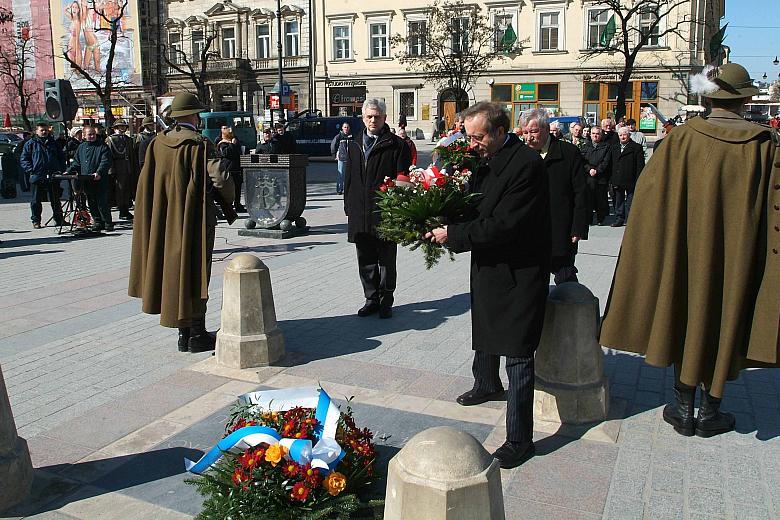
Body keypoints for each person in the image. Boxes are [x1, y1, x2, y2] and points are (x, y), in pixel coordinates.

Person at [600, 63, 779, 438]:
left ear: (710, 96)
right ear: (746, 98)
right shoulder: (764, 145)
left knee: (684, 314)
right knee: (726, 317)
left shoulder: (682, 139)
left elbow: (649, 200)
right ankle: (711, 409)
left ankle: (683, 408)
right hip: (740, 257)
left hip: (685, 253)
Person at [425, 101, 550, 469]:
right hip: (491, 267)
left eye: (478, 136)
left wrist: (455, 234)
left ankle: (519, 439)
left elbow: (505, 224)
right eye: (468, 135)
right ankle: (485, 384)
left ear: (499, 132)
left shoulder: (526, 165)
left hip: (519, 271)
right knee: (487, 327)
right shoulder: (485, 158)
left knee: (518, 352)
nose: (471, 142)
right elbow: (474, 206)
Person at [129, 92, 235, 354]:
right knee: (197, 271)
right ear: (191, 115)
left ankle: (182, 334)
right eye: (197, 113)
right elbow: (220, 179)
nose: (199, 118)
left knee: (174, 271)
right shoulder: (200, 144)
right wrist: (230, 196)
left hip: (165, 219)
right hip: (194, 219)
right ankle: (197, 334)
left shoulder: (157, 143)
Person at [344, 98, 411, 319]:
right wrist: (348, 205)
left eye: (377, 116)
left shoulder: (396, 145)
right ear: (363, 118)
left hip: (385, 211)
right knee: (365, 259)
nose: (373, 120)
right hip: (359, 211)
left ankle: (385, 300)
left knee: (386, 260)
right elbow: (348, 178)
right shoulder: (353, 143)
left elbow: (404, 179)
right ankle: (370, 299)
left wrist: (399, 208)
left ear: (384, 118)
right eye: (369, 116)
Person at [520, 109, 588, 284]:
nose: (529, 137)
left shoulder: (568, 152)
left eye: (533, 131)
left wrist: (578, 227)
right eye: (525, 132)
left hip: (561, 228)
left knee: (565, 278)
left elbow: (581, 192)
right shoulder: (520, 155)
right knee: (531, 282)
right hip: (529, 230)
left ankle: (570, 309)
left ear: (546, 128)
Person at [20, 122, 66, 228]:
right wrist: (31, 170)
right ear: (37, 131)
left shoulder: (53, 143)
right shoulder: (30, 143)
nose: (44, 132)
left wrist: (60, 170)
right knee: (36, 200)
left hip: (53, 175)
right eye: (42, 130)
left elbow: (61, 158)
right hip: (37, 175)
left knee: (55, 200)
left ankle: (59, 219)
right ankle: (36, 221)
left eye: (46, 130)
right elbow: (24, 159)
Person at [68, 125, 113, 231]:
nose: (92, 136)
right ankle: (97, 222)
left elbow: (105, 161)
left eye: (93, 134)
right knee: (91, 202)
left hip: (100, 179)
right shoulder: (82, 147)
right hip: (87, 180)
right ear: (84, 135)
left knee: (102, 202)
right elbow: (77, 162)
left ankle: (107, 222)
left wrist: (99, 172)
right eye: (89, 134)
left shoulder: (102, 146)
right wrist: (69, 170)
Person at [609, 126, 645, 227]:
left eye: (624, 135)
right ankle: (619, 218)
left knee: (631, 201)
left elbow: (640, 165)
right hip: (617, 178)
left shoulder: (636, 147)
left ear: (629, 135)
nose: (622, 137)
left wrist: (639, 179)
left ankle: (630, 220)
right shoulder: (614, 147)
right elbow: (611, 163)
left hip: (631, 179)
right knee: (618, 201)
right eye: (620, 135)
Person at [105, 119, 135, 221]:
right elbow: (109, 156)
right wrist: (111, 170)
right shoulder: (110, 139)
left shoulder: (128, 139)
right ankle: (122, 210)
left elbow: (131, 154)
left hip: (127, 166)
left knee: (127, 188)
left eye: (124, 126)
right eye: (121, 126)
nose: (123, 128)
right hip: (117, 166)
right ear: (116, 128)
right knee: (120, 189)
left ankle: (126, 209)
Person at [583, 126, 611, 225]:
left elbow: (606, 161)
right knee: (589, 199)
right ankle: (589, 219)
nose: (595, 135)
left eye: (597, 134)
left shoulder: (606, 146)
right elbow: (583, 160)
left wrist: (597, 170)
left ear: (601, 135)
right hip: (588, 176)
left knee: (601, 200)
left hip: (601, 177)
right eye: (593, 133)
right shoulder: (586, 146)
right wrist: (589, 169)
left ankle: (600, 219)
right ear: (590, 134)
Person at [216, 127, 245, 213]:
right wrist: (232, 145)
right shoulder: (222, 143)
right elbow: (226, 153)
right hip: (228, 169)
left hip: (237, 168)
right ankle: (229, 206)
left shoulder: (235, 140)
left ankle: (237, 204)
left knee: (238, 188)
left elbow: (239, 152)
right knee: (229, 189)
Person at [330, 122, 352, 195]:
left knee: (350, 175)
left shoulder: (352, 136)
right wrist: (334, 155)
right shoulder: (339, 136)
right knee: (341, 174)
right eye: (345, 127)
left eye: (347, 127)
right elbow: (333, 145)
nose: (346, 128)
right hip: (341, 158)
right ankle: (339, 190)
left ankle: (348, 189)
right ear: (342, 128)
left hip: (350, 159)